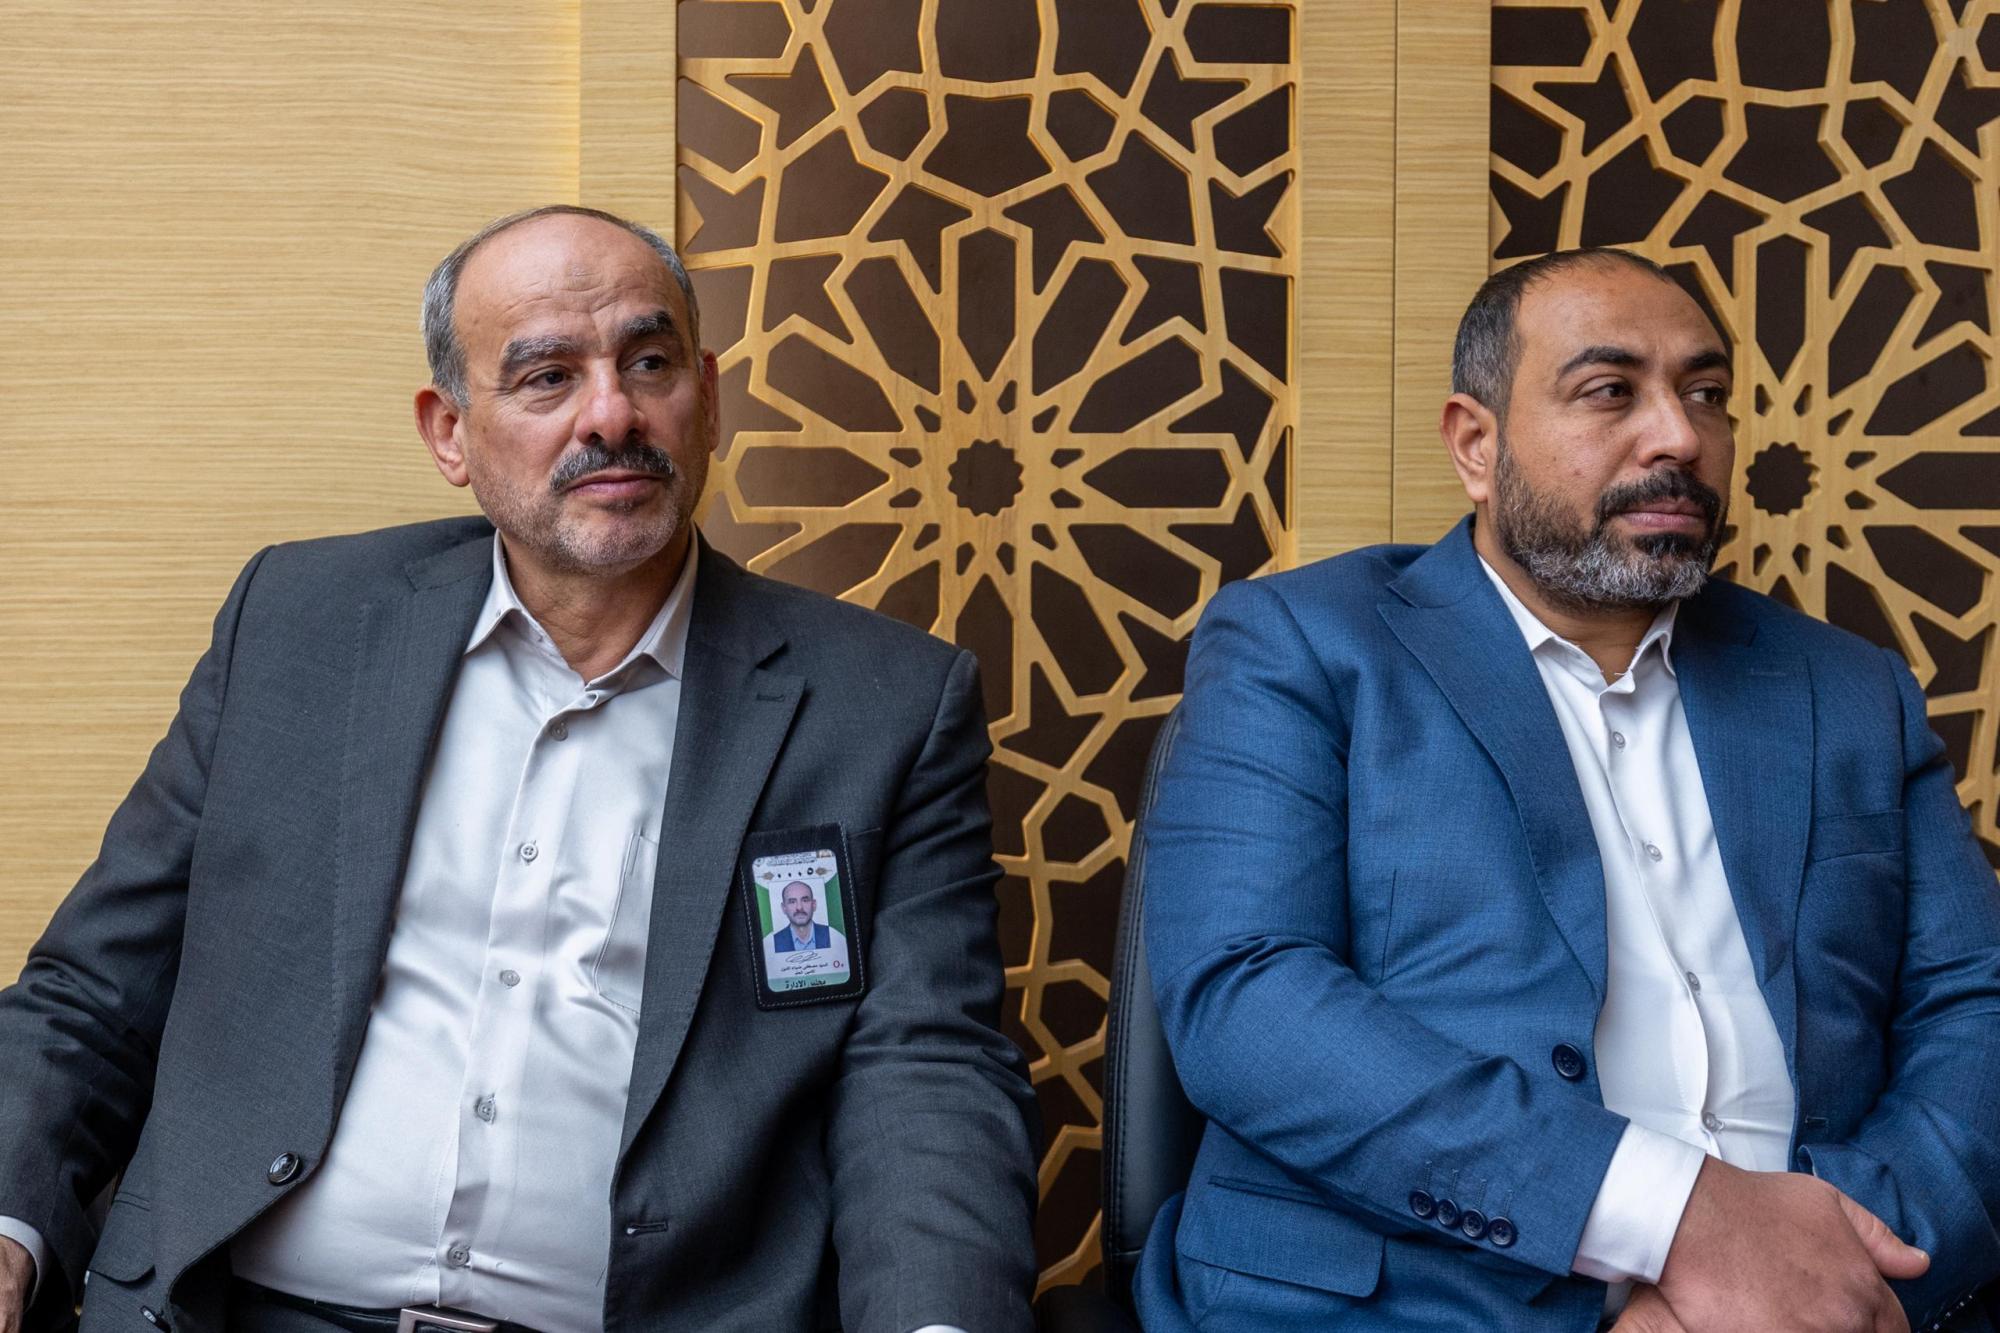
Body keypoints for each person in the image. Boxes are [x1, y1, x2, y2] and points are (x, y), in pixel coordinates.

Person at [0, 205, 1037, 1333]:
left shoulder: (881, 707)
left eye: (650, 363)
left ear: (710, 399)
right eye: (548, 377)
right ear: (449, 432)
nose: (612, 414)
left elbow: (926, 1076)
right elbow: (95, 992)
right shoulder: (299, 626)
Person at [1131, 248, 2000, 1332]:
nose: (1678, 437)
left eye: (1705, 393)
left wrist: (1832, 1265)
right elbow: (1247, 999)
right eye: (1609, 391)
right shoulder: (1302, 645)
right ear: (1476, 444)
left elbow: (1973, 1003)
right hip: (1415, 1304)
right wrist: (1678, 1220)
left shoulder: (1848, 688)